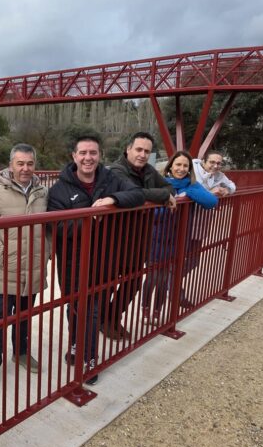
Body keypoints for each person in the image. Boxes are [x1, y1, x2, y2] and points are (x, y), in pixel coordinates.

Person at [47, 134, 143, 385]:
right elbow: (58, 226)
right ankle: (78, 347)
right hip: (72, 264)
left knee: (91, 311)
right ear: (74, 157)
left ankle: (88, 359)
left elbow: (137, 195)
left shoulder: (112, 180)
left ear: (100, 156)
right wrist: (91, 218)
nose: (88, 158)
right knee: (75, 307)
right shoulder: (59, 189)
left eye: (93, 153)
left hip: (105, 260)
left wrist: (113, 200)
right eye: (83, 153)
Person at [0, 144, 50, 382]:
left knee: (25, 315)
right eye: (20, 163)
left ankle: (21, 353)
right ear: (11, 165)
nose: (25, 168)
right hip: (6, 269)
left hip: (35, 267)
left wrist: (47, 252)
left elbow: (48, 229)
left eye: (29, 163)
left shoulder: (42, 193)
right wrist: (2, 253)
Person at [105, 132, 176, 339]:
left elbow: (169, 186)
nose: (142, 155)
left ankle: (112, 318)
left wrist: (162, 192)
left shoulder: (148, 171)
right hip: (115, 239)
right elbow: (135, 193)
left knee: (133, 282)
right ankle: (101, 321)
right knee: (108, 284)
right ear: (128, 149)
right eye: (138, 149)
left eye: (147, 151)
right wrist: (163, 196)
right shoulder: (116, 170)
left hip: (138, 238)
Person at [145, 150, 218, 324]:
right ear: (170, 166)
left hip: (177, 240)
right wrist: (168, 202)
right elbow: (152, 214)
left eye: (185, 165)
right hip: (156, 239)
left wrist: (187, 195)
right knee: (153, 277)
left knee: (164, 277)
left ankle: (157, 311)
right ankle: (146, 308)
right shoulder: (160, 184)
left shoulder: (191, 185)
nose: (181, 168)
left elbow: (211, 202)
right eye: (178, 164)